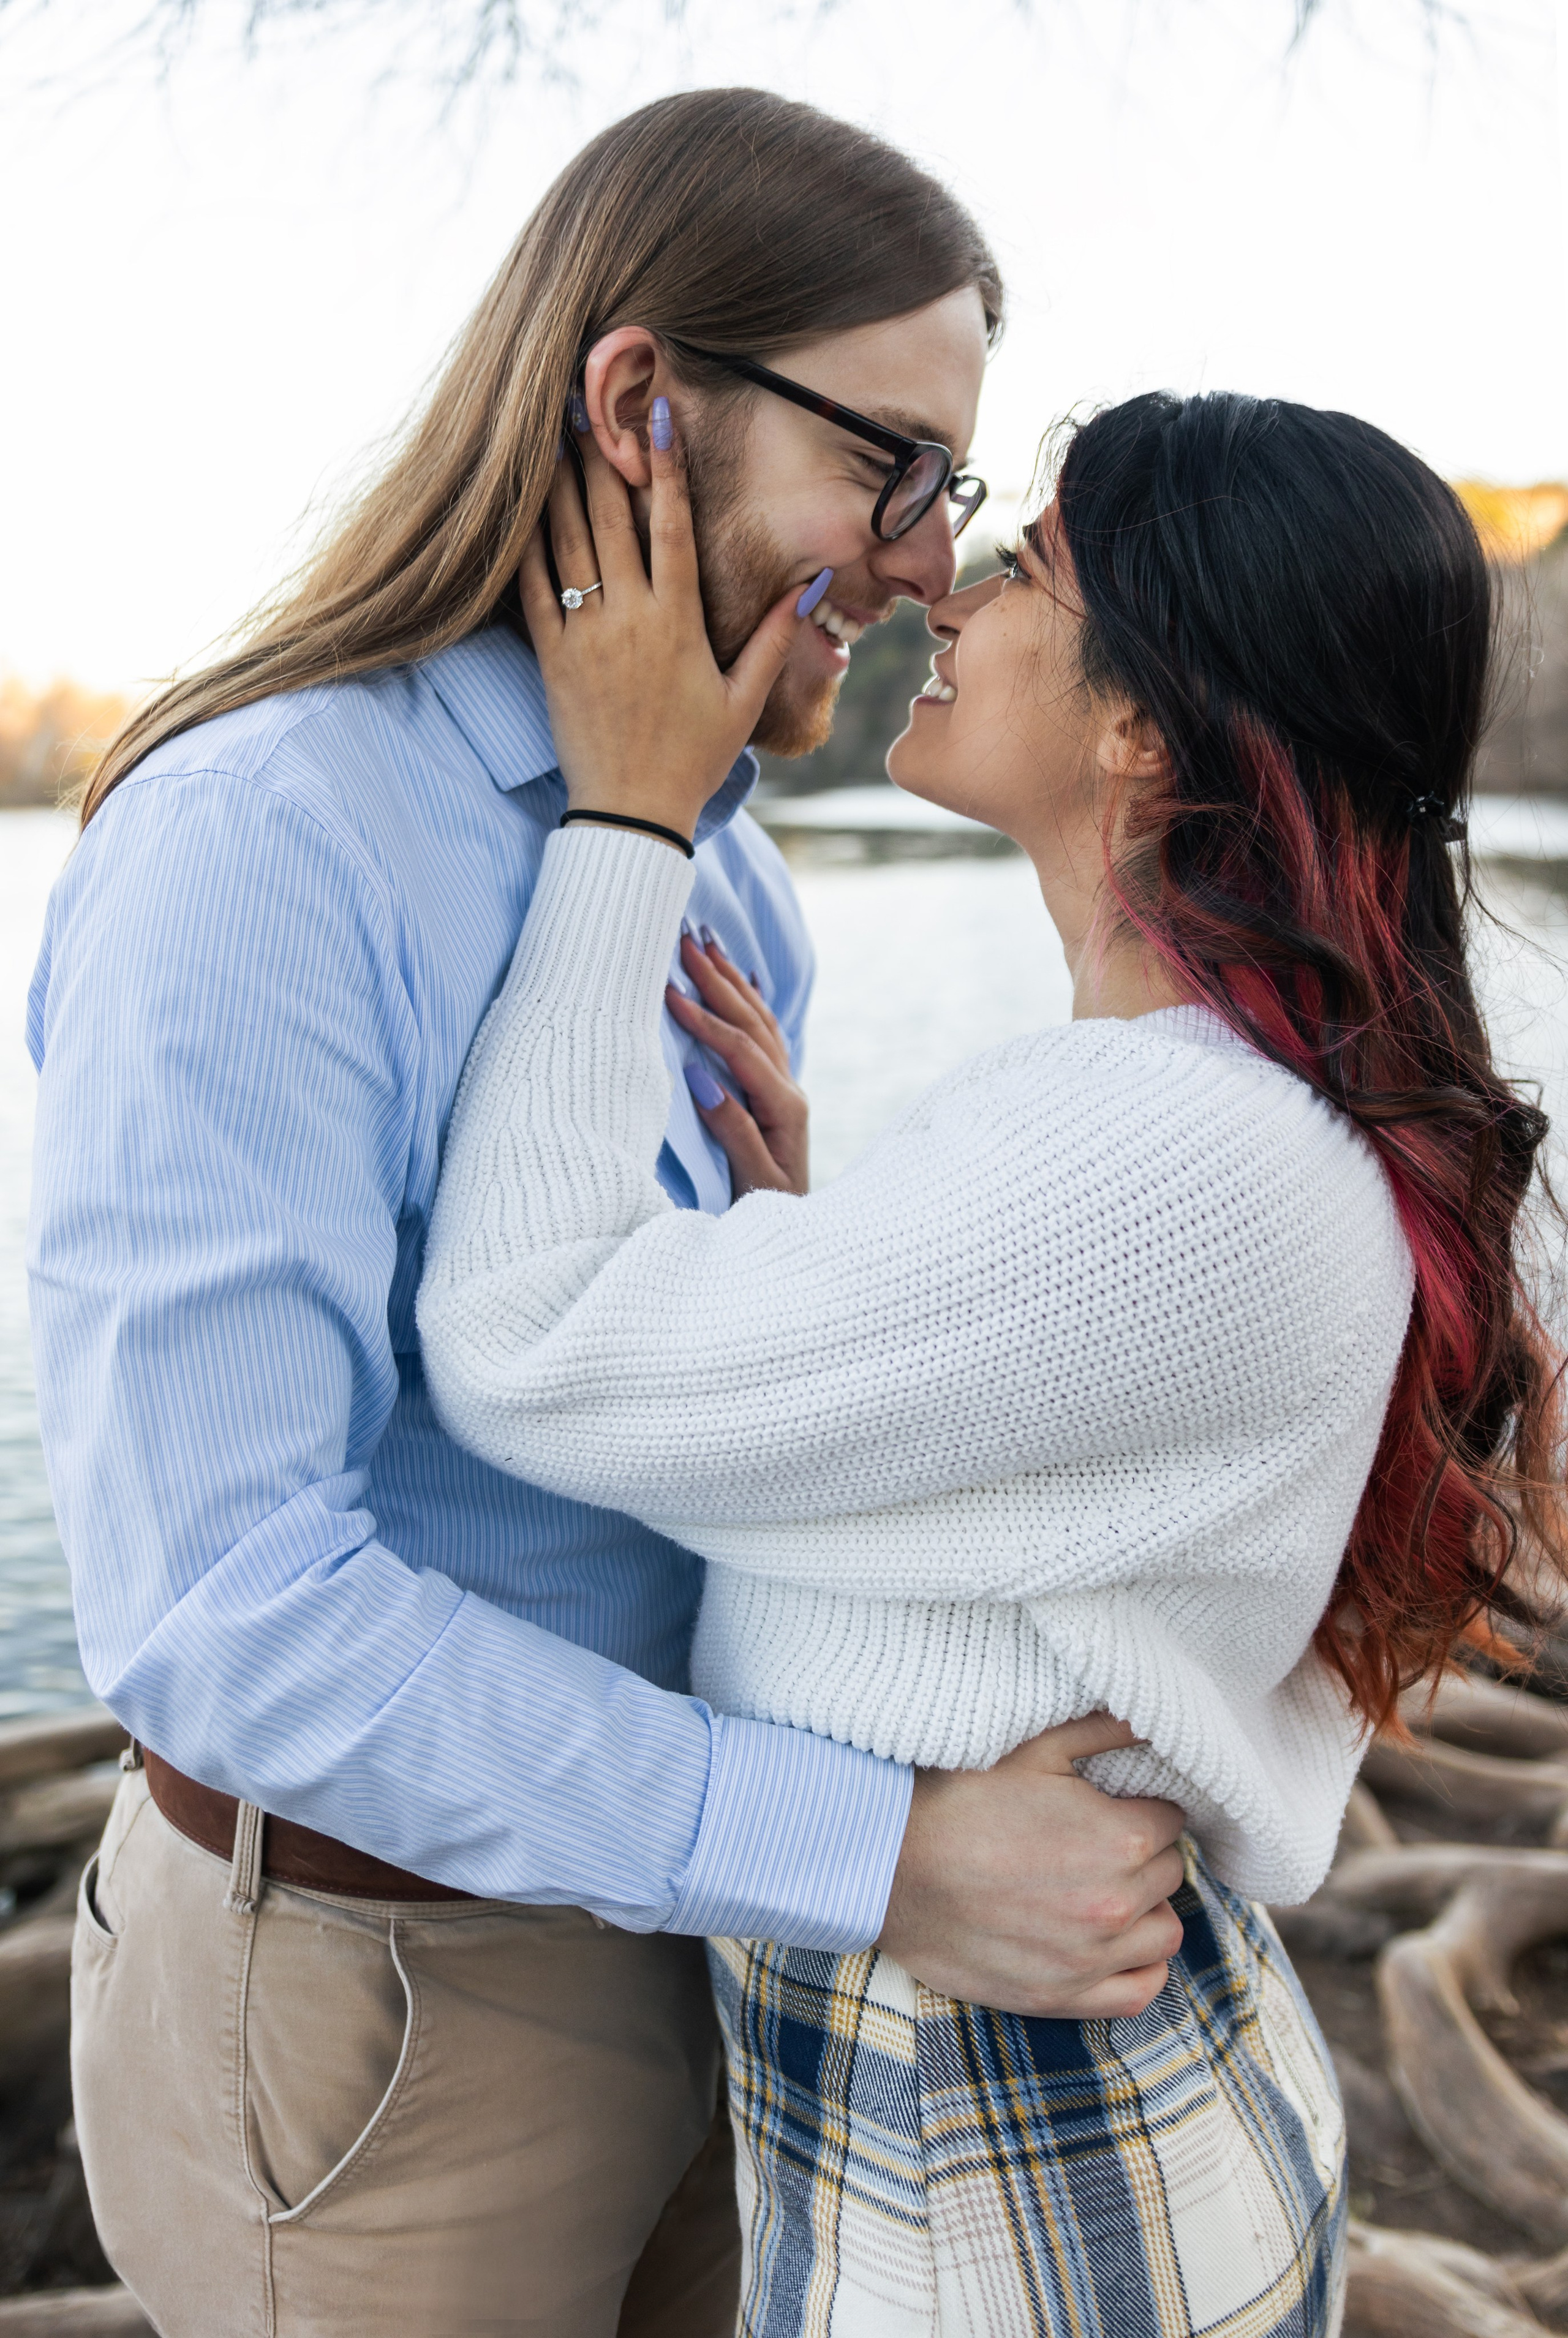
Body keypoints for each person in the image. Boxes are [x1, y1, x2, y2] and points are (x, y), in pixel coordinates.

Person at [28, 90, 1191, 2338]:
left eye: (952, 485)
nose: (936, 561)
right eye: (897, 466)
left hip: (717, 1952)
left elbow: (633, 1434)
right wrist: (880, 1858)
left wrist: (797, 1269)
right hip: (387, 2016)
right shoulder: (264, 841)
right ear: (644, 408)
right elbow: (229, 1608)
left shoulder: (727, 872)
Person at [417, 390, 1568, 2335]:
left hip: (1005, 2162)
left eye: (1028, 561)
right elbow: (1052, 1494)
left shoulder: (1158, 1148)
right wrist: (816, 1248)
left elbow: (521, 1346)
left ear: (1145, 722)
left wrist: (620, 816)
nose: (944, 583)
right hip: (1051, 2089)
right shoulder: (1240, 1107)